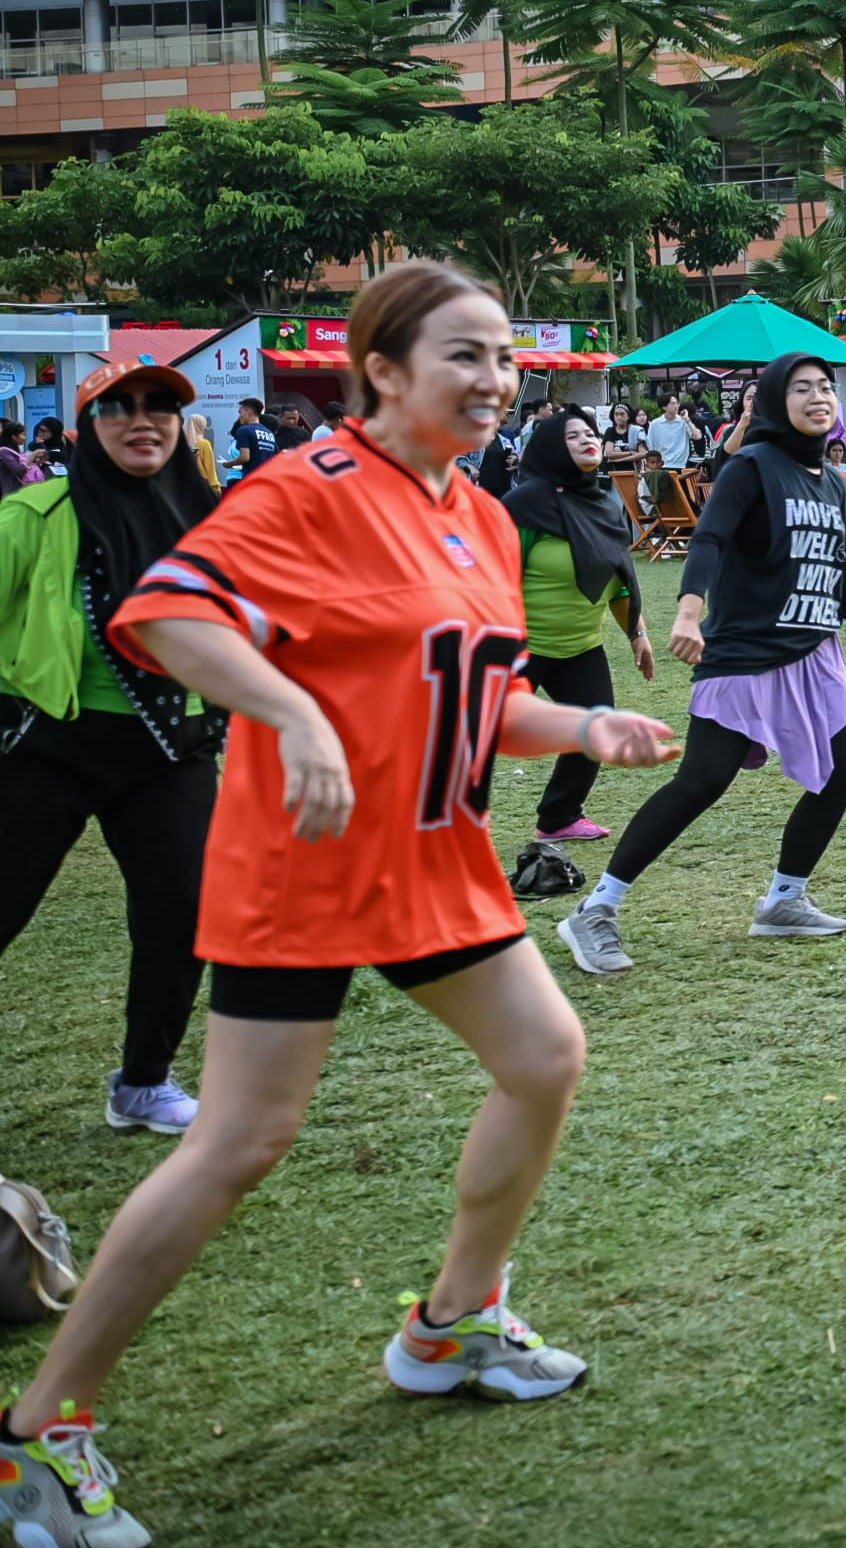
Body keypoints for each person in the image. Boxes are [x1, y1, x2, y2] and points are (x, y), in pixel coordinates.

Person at [0, 266, 679, 1548]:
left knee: (545, 1057)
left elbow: (481, 699)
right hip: (304, 865)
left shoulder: (479, 517)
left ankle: (453, 1323)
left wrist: (586, 725)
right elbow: (166, 616)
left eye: (505, 358)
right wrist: (293, 710)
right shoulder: (306, 488)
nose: (494, 379)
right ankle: (40, 1431)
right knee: (241, 1142)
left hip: (433, 860)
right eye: (464, 354)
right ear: (381, 369)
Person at [553, 354, 846, 976]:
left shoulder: (830, 479)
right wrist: (688, 613)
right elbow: (709, 538)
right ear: (774, 401)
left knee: (843, 769)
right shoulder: (751, 466)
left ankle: (785, 900)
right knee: (703, 779)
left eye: (826, 387)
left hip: (815, 650)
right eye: (801, 388)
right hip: (745, 650)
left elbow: (837, 566)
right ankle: (596, 909)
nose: (818, 397)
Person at [0, 355, 223, 1137]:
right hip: (47, 743)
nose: (142, 419)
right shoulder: (32, 515)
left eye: (160, 405)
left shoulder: (208, 521)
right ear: (85, 428)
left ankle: (143, 1082)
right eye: (117, 406)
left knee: (183, 910)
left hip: (172, 746)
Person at [503, 407, 654, 843]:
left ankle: (559, 818)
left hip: (580, 646)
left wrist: (637, 633)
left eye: (589, 433)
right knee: (472, 738)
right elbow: (491, 574)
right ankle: (435, 822)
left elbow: (618, 577)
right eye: (572, 436)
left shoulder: (603, 502)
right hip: (519, 646)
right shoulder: (525, 505)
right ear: (551, 447)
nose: (587, 439)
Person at [225, 397, 277, 482]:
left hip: (252, 480)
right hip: (268, 480)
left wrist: (229, 464)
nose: (239, 416)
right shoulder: (269, 433)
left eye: (240, 412)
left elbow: (245, 457)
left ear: (248, 411)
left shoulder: (244, 430)